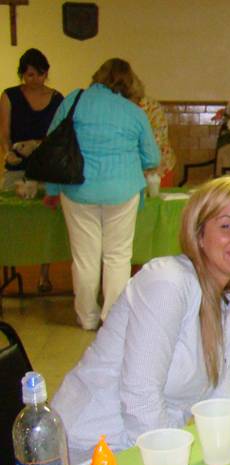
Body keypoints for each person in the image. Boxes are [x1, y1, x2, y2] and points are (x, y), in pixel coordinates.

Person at [51, 176, 230, 465]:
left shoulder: (228, 314)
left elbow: (221, 403)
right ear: (199, 236)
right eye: (227, 226)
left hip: (147, 446)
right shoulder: (167, 283)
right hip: (86, 452)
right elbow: (140, 398)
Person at [45, 58, 160, 330]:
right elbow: (152, 158)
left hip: (77, 189)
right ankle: (113, 319)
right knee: (117, 257)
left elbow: (52, 146)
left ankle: (87, 317)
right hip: (122, 191)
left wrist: (52, 189)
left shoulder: (74, 101)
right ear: (129, 83)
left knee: (84, 258)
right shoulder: (133, 112)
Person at [0, 48, 64, 293]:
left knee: (45, 222)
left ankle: (43, 275)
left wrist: (37, 144)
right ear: (22, 75)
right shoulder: (10, 96)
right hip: (17, 166)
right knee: (10, 218)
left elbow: (60, 135)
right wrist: (8, 152)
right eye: (29, 75)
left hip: (46, 168)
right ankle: (10, 268)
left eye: (39, 75)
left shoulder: (57, 99)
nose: (34, 80)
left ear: (46, 74)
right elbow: (4, 132)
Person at [132, 76, 176, 187]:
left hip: (158, 167)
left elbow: (156, 141)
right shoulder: (129, 107)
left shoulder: (150, 107)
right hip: (143, 166)